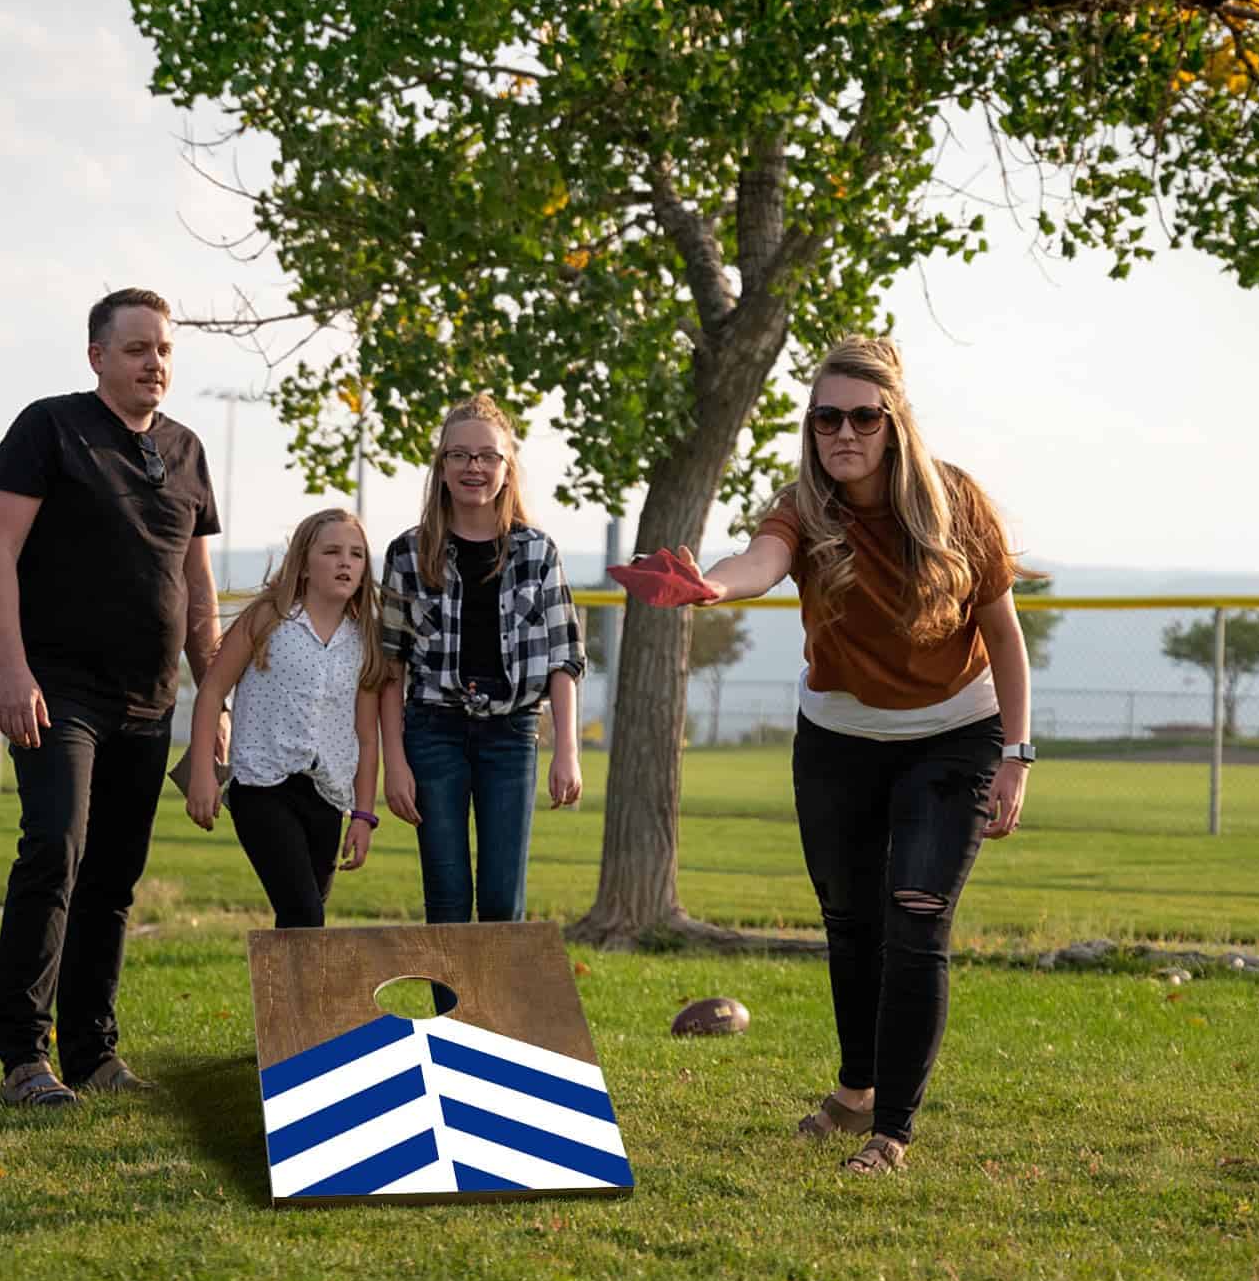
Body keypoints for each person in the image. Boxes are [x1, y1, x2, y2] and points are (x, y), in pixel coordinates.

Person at [643, 337, 1031, 1174]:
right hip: (839, 742)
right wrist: (710, 586)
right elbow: (760, 561)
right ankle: (855, 1094)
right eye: (827, 419)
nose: (843, 433)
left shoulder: (955, 502)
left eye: (862, 417)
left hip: (955, 734)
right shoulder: (803, 506)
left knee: (917, 919)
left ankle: (891, 1130)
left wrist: (1017, 755)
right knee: (851, 924)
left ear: (895, 424)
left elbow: (1003, 634)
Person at [0, 287, 226, 1107]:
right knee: (55, 848)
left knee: (115, 876)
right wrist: (12, 670)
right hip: (59, 692)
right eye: (135, 349)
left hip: (148, 702)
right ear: (96, 357)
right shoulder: (48, 428)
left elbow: (196, 585)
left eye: (163, 351)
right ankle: (24, 1057)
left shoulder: (186, 450)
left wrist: (211, 699)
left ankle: (93, 1052)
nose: (153, 363)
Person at [380, 392, 585, 936]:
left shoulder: (537, 553)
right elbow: (389, 666)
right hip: (433, 732)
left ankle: (494, 1024)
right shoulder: (408, 553)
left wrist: (567, 750)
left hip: (511, 734)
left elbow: (565, 657)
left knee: (500, 900)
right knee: (447, 898)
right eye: (460, 455)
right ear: (442, 468)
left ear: (506, 468)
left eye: (487, 456)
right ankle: (449, 1020)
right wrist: (394, 761)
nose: (474, 467)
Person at [183, 508, 385, 927]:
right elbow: (212, 692)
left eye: (356, 555)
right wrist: (203, 772)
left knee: (301, 924)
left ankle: (290, 995)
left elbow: (368, 737)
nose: (345, 562)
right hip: (262, 788)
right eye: (331, 552)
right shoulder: (268, 619)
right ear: (305, 564)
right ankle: (305, 994)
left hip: (328, 797)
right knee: (304, 915)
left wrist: (363, 816)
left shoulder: (365, 641)